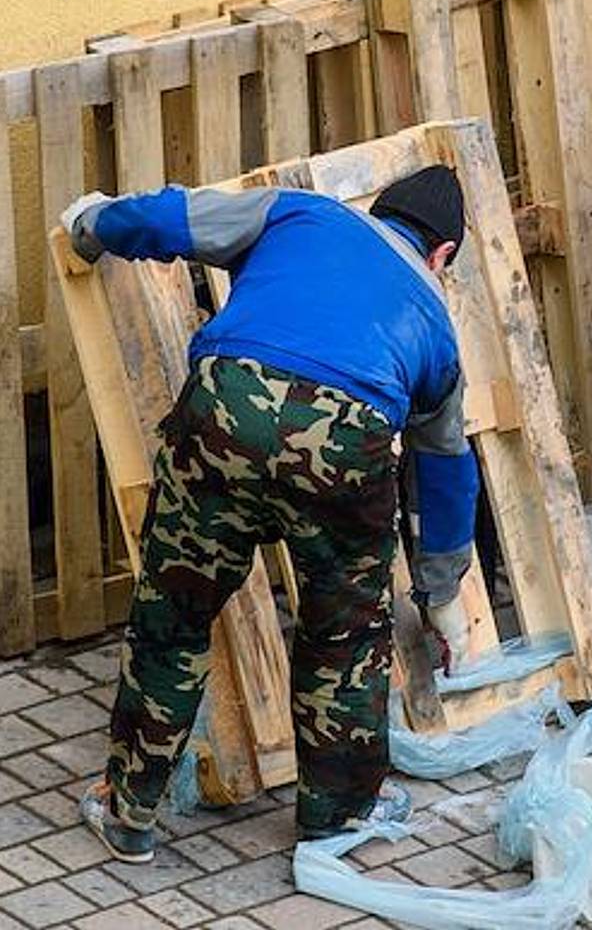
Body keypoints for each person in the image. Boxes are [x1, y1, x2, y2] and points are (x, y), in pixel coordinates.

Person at [60, 165, 480, 861]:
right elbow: (445, 469)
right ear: (442, 256)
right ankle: (336, 817)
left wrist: (93, 227)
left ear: (378, 213)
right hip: (346, 441)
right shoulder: (436, 325)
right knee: (344, 638)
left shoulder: (306, 214)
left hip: (228, 406)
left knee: (174, 615)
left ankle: (130, 812)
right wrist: (440, 591)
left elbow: (177, 220)